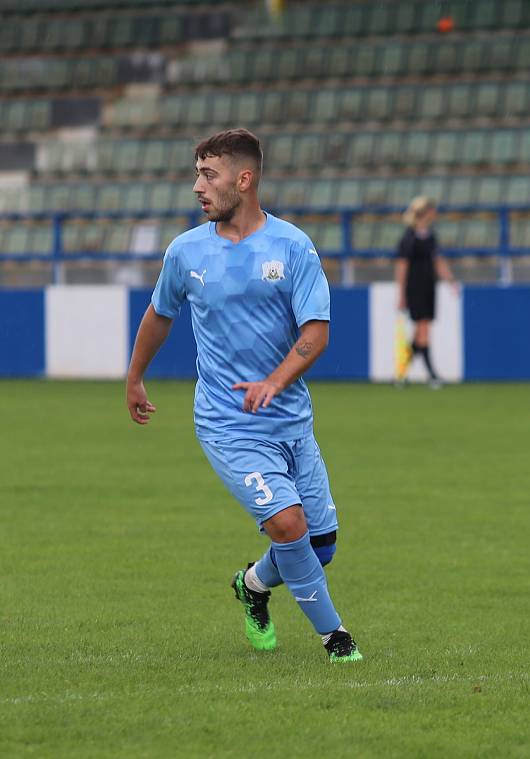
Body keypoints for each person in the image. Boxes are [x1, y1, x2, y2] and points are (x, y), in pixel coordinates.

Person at [125, 128, 361, 663]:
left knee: (319, 548)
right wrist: (135, 375)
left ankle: (253, 585)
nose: (196, 187)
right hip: (227, 423)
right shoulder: (185, 252)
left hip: (291, 421)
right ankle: (336, 639)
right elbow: (160, 314)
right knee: (287, 524)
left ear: (244, 178)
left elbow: (316, 334)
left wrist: (275, 383)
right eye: (196, 174)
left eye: (209, 175)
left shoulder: (293, 246)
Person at [395, 196, 459, 388]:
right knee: (423, 330)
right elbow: (402, 266)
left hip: (428, 286)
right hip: (415, 287)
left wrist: (450, 281)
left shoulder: (430, 236)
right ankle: (431, 375)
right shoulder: (409, 237)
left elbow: (437, 261)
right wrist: (402, 294)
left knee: (421, 332)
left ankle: (401, 374)